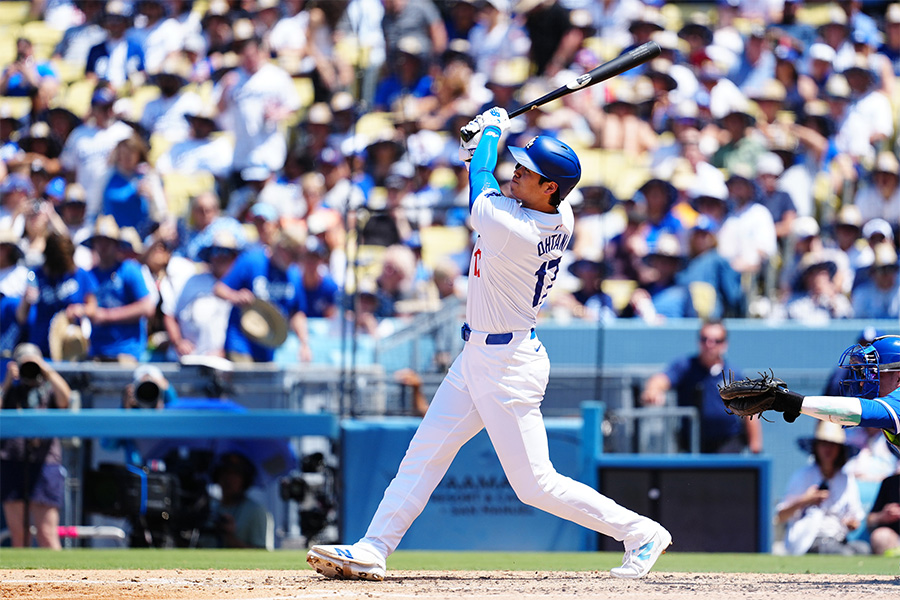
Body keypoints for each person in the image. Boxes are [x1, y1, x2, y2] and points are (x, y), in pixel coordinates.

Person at [307, 108, 671, 581]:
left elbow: (483, 182)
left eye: (529, 171)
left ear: (550, 190)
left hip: (507, 363)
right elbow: (485, 181)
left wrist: (490, 134)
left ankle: (640, 532)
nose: (517, 171)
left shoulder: (516, 228)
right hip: (479, 356)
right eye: (518, 164)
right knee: (424, 453)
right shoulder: (555, 212)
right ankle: (374, 548)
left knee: (535, 485)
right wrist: (473, 149)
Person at [641, 319, 762, 454]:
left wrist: (755, 445)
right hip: (692, 442)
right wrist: (653, 390)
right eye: (705, 339)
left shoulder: (734, 375)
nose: (709, 345)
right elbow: (661, 379)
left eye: (716, 341)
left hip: (727, 442)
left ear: (724, 344)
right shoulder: (686, 366)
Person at [0, 343, 72, 549]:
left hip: (45, 463)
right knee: (18, 535)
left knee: (47, 534)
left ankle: (60, 580)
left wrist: (45, 369)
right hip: (11, 460)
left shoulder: (48, 389)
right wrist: (7, 382)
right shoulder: (11, 391)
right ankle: (23, 581)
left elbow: (65, 399)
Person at [775, 421, 868, 556]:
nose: (828, 449)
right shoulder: (803, 475)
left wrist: (851, 523)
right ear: (816, 447)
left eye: (833, 445)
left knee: (863, 549)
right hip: (809, 540)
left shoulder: (847, 479)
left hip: (838, 539)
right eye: (824, 444)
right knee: (843, 554)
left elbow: (855, 518)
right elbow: (781, 516)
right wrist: (807, 499)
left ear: (840, 449)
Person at [202, 452, 270, 549]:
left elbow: (261, 552)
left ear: (245, 480)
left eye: (235, 474)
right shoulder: (209, 507)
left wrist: (230, 538)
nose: (228, 479)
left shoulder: (255, 511)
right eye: (225, 472)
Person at [867, 472, 900, 556]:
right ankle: (889, 568)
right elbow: (870, 519)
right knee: (880, 536)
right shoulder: (890, 483)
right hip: (895, 539)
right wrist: (883, 516)